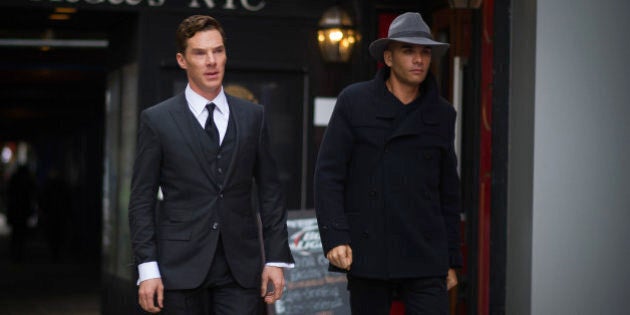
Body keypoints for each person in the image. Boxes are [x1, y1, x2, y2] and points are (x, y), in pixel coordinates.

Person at [128, 15, 294, 314]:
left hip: (240, 268)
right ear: (182, 60)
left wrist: (275, 259)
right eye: (200, 53)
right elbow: (141, 199)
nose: (211, 61)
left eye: (217, 51)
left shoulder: (252, 116)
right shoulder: (157, 120)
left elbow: (271, 191)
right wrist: (147, 268)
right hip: (179, 267)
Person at [314, 12, 462, 314]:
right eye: (408, 50)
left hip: (425, 249)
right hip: (369, 248)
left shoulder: (442, 114)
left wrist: (450, 259)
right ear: (389, 57)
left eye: (424, 52)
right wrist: (335, 236)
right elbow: (328, 174)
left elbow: (448, 191)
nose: (418, 59)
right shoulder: (354, 102)